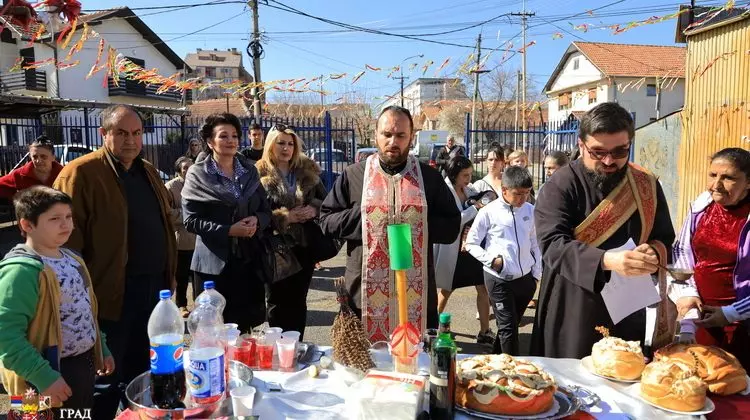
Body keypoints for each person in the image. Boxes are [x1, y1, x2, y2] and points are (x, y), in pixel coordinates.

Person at [53, 104, 177, 419]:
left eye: (136, 133)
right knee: (105, 377)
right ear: (103, 134)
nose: (130, 140)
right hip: (109, 296)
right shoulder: (80, 173)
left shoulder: (147, 171)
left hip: (154, 289)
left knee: (145, 371)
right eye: (121, 133)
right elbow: (63, 242)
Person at [530, 102, 676, 359]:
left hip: (629, 306)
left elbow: (663, 237)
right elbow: (553, 245)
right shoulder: (560, 185)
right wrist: (608, 261)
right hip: (574, 304)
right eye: (598, 152)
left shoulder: (646, 184)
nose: (609, 161)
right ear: (581, 145)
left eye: (620, 151)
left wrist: (653, 253)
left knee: (625, 371)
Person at [319, 106, 461, 342]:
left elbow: (452, 226)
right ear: (375, 135)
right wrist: (368, 217)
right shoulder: (354, 175)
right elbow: (326, 220)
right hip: (362, 295)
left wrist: (417, 224)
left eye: (401, 135)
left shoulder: (429, 178)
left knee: (415, 360)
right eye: (387, 134)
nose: (393, 142)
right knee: (363, 361)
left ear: (411, 137)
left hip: (417, 296)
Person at [0, 186, 114, 413]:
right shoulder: (20, 272)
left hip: (80, 367)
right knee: (34, 415)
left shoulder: (73, 259)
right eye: (54, 219)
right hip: (38, 378)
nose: (66, 224)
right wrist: (43, 377)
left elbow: (85, 309)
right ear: (27, 225)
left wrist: (101, 348)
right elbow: (6, 335)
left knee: (79, 414)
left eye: (68, 217)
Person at [182, 113, 271, 333]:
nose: (231, 140)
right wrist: (229, 230)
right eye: (223, 136)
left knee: (244, 330)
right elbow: (191, 221)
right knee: (213, 331)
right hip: (212, 266)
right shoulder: (198, 174)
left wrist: (257, 220)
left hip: (248, 261)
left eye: (234, 135)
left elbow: (266, 210)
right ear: (210, 141)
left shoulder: (249, 171)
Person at [669, 148, 750, 369]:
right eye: (713, 175)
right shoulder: (702, 205)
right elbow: (682, 252)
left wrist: (731, 313)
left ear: (748, 183)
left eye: (728, 178)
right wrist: (687, 296)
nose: (716, 185)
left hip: (742, 327)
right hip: (702, 319)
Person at [256, 124, 327, 339]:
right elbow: (253, 212)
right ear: (271, 145)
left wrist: (314, 209)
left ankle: (297, 345)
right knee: (276, 302)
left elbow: (326, 201)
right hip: (274, 248)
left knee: (298, 300)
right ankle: (280, 347)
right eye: (281, 143)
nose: (286, 148)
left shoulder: (307, 169)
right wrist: (284, 218)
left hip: (303, 246)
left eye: (290, 144)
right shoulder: (257, 172)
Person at [465, 166, 541, 355]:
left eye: (527, 193)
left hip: (526, 280)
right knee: (508, 328)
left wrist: (536, 275)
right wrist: (493, 261)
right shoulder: (488, 212)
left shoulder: (530, 210)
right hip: (498, 279)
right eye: (518, 194)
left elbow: (536, 243)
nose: (523, 198)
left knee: (511, 325)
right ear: (504, 190)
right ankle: (513, 369)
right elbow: (471, 243)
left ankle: (495, 360)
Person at [433, 156, 494, 345]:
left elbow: (483, 198)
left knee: (482, 287)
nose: (469, 178)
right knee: (446, 289)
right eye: (465, 175)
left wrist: (484, 199)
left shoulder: (468, 189)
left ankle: (484, 331)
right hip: (454, 249)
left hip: (471, 248)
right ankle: (433, 328)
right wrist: (475, 209)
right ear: (454, 174)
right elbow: (453, 221)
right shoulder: (444, 191)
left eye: (470, 174)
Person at [166, 156, 196, 318]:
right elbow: (167, 212)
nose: (189, 170)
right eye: (185, 168)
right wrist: (187, 216)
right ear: (179, 170)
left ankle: (199, 305)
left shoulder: (199, 184)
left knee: (198, 276)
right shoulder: (171, 187)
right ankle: (182, 305)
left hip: (199, 240)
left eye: (191, 166)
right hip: (182, 240)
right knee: (182, 276)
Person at [0, 135, 63, 200]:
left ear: (53, 157)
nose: (38, 161)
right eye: (35, 157)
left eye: (43, 157)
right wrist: (15, 198)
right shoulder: (20, 175)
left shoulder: (63, 174)